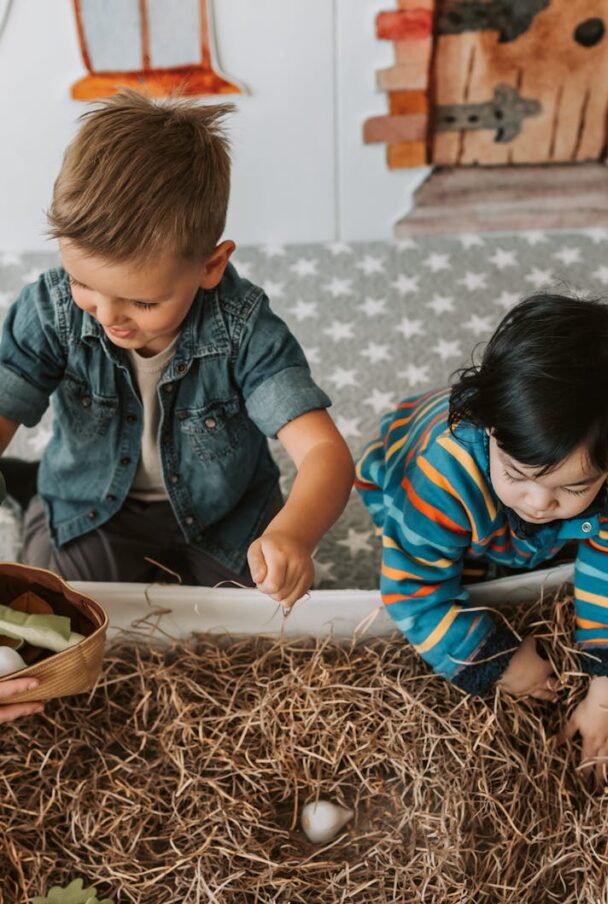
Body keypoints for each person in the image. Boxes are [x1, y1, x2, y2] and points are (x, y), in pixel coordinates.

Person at [0, 90, 354, 623]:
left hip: (223, 519)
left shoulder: (242, 327)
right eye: (84, 284)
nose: (109, 316)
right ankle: (32, 496)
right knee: (58, 605)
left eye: (143, 301)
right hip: (92, 508)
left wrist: (291, 535)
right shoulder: (50, 310)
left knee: (256, 616)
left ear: (210, 266)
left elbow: (326, 455)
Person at [355, 294, 608, 787]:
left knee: (592, 550)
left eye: (573, 486)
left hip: (501, 515)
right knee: (454, 576)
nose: (538, 502)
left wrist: (606, 698)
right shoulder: (442, 474)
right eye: (518, 474)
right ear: (489, 430)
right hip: (404, 488)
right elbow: (412, 589)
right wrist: (497, 661)